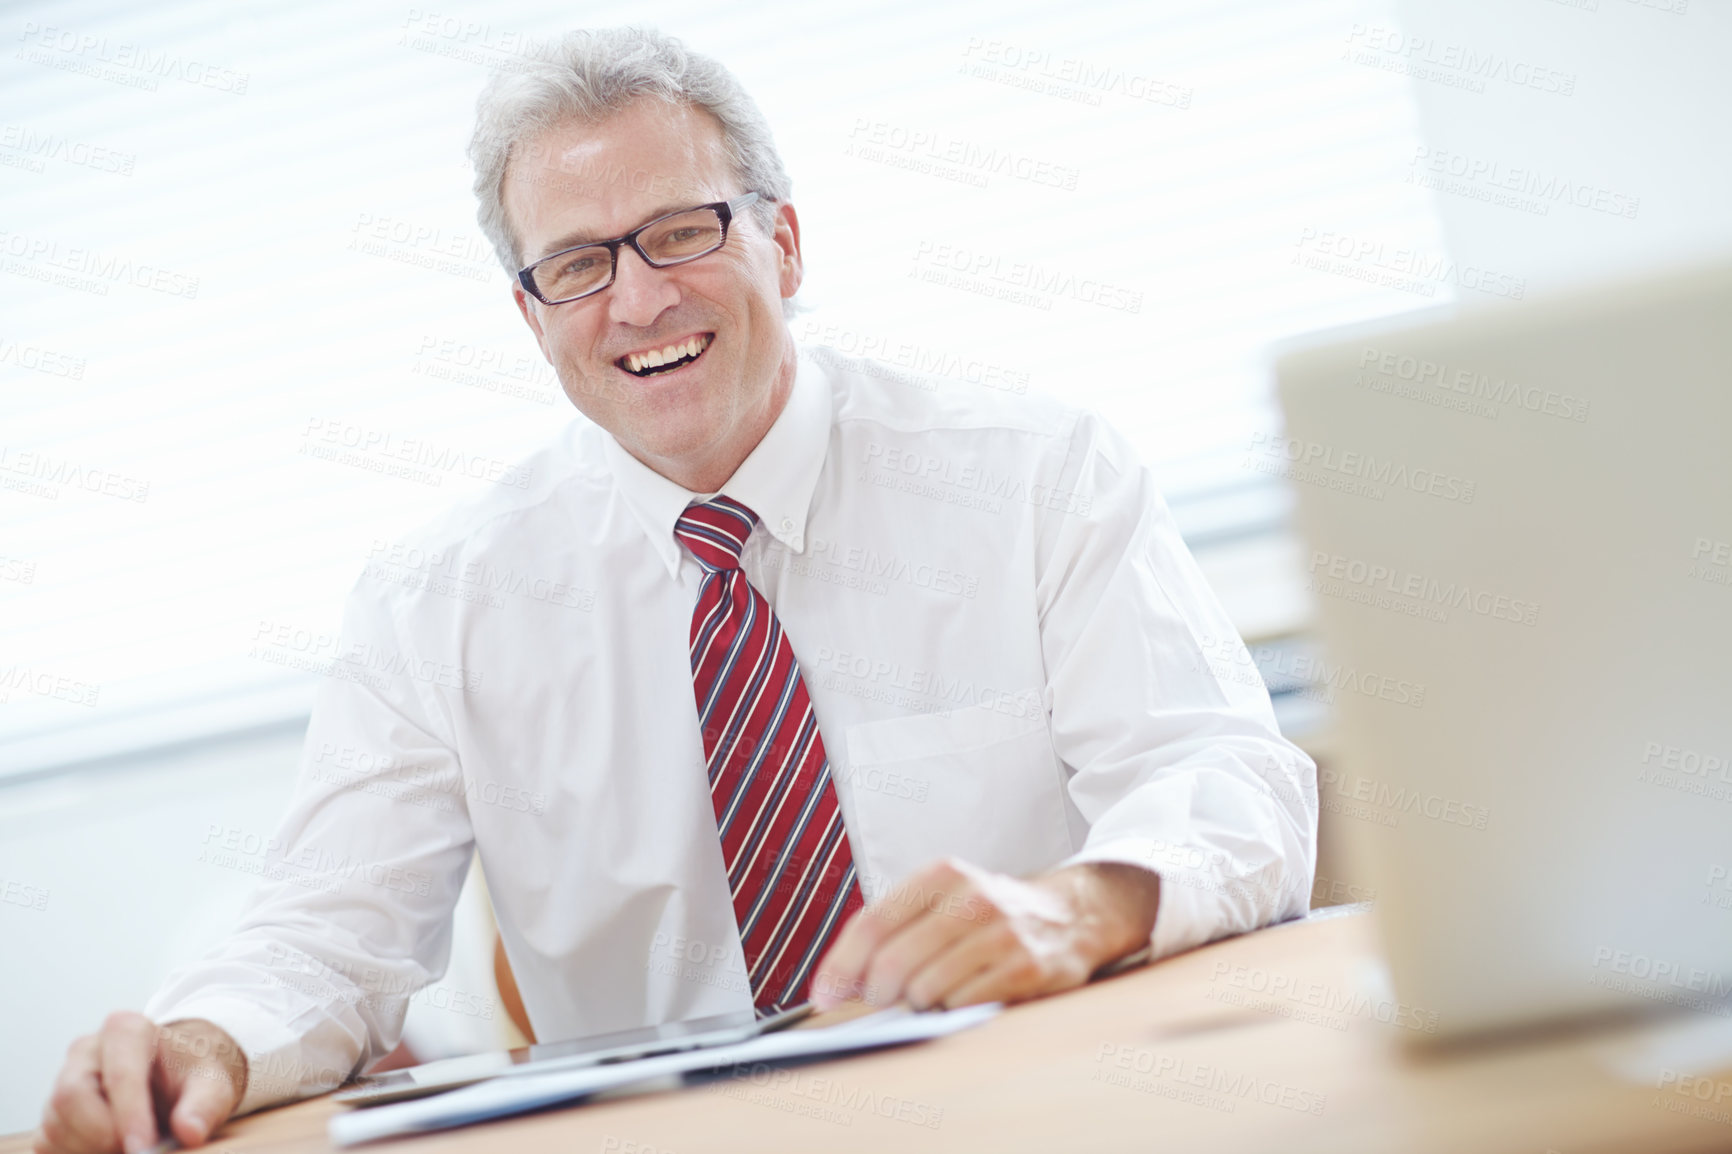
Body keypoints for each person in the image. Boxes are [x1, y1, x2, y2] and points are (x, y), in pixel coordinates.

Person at [32, 27, 1316, 1154]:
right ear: (532, 316)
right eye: (578, 264)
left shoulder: (1039, 473)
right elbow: (323, 933)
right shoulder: (439, 602)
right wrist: (198, 1039)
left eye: (681, 231)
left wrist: (1083, 901)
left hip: (1047, 1109)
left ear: (785, 242)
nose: (639, 298)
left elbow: (1225, 775)